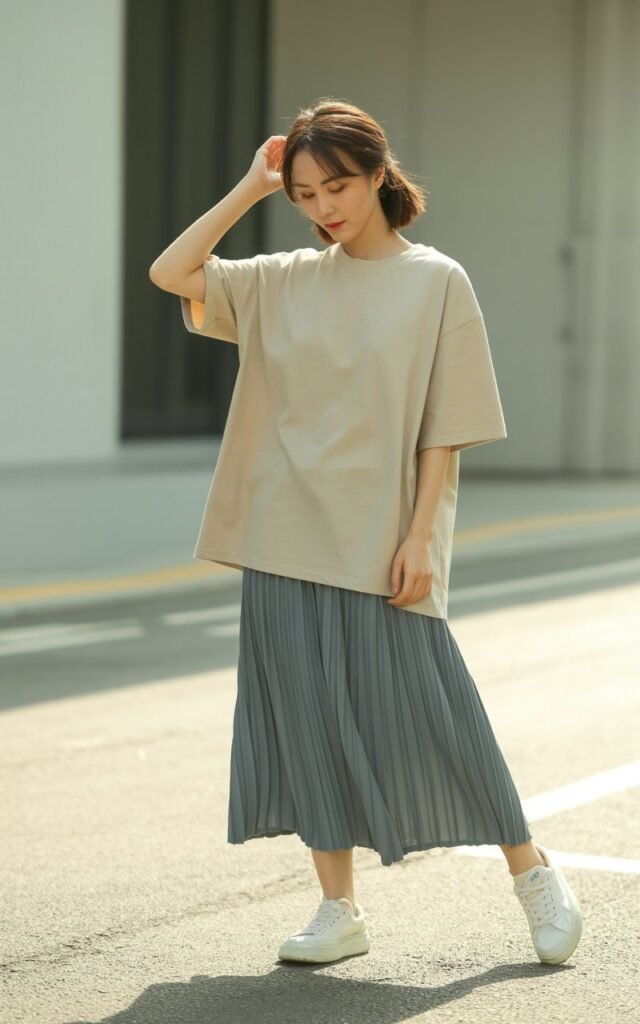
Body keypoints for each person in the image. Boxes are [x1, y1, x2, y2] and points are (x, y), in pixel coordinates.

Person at [149, 98, 583, 967]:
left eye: (338, 187)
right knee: (307, 721)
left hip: (379, 538)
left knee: (436, 712)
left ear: (380, 175)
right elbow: (172, 271)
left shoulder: (437, 281)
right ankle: (338, 908)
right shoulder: (279, 279)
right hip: (281, 534)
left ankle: (533, 871)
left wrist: (422, 537)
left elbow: (445, 427)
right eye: (306, 195)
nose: (324, 208)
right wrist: (252, 185)